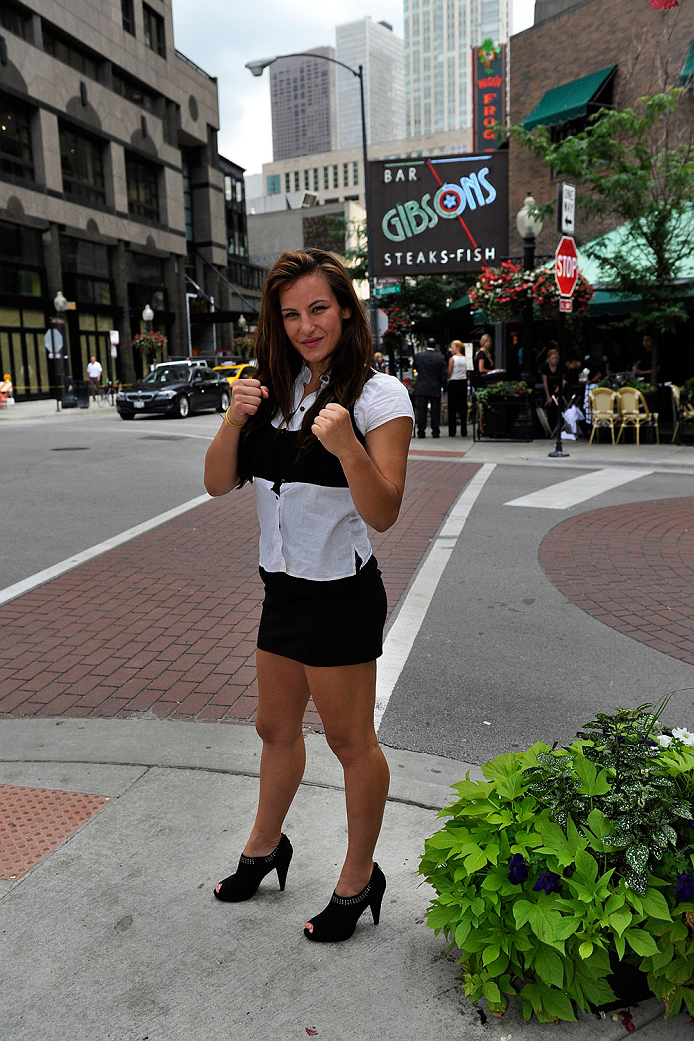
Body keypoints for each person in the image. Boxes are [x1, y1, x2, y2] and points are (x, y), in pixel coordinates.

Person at [203, 248, 414, 944]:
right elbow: (214, 483)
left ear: (346, 308)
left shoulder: (380, 396)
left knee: (352, 742)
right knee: (273, 727)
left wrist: (349, 446)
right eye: (290, 313)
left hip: (340, 594)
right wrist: (234, 419)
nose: (305, 325)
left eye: (318, 308)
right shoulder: (272, 388)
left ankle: (359, 877)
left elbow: (383, 510)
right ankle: (265, 847)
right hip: (282, 591)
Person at [413, 337, 447, 438]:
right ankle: (435, 431)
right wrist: (445, 388)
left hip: (422, 386)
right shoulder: (440, 357)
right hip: (435, 386)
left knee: (421, 410)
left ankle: (421, 431)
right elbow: (443, 375)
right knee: (435, 410)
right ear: (435, 346)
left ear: (426, 345)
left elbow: (415, 369)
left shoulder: (418, 356)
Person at [541, 346, 565, 436]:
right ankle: (550, 428)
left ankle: (560, 428)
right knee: (550, 409)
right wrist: (548, 396)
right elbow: (545, 381)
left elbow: (561, 381)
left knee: (559, 407)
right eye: (553, 358)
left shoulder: (560, 367)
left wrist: (556, 394)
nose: (554, 360)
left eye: (556, 358)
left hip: (558, 390)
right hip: (549, 388)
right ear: (549, 359)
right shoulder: (545, 367)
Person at [447, 340, 468, 437]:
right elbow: (467, 372)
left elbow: (449, 372)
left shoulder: (452, 359)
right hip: (463, 382)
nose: (451, 349)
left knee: (452, 407)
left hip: (453, 382)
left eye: (452, 347)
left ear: (457, 348)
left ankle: (452, 431)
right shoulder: (466, 359)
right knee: (463, 406)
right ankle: (464, 430)